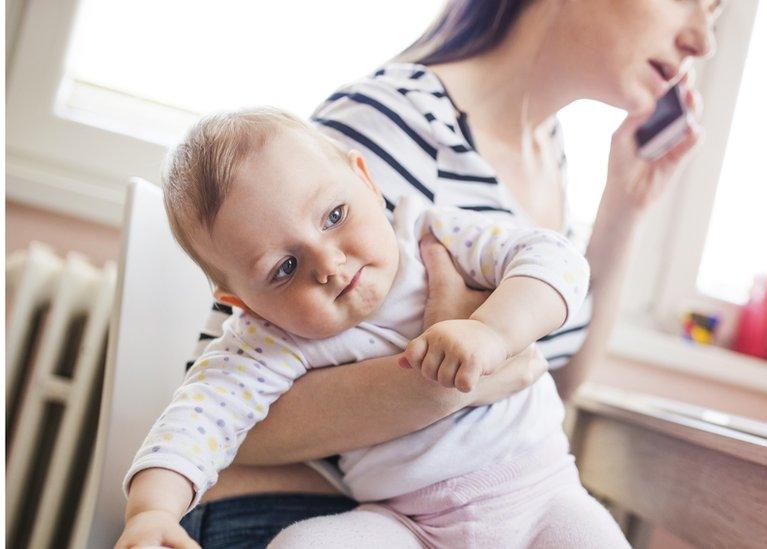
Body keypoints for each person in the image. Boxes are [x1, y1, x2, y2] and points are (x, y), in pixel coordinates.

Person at [171, 0, 719, 546]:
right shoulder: (394, 119)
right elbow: (232, 418)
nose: (702, 40)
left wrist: (623, 208)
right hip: (289, 510)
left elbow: (549, 372)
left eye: (714, 14)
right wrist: (453, 378)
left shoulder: (548, 154)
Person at [116, 107, 627, 548]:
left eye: (335, 215)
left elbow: (554, 258)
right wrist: (152, 514)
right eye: (285, 268)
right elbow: (197, 420)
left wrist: (491, 331)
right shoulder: (270, 339)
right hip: (407, 525)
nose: (330, 265)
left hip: (541, 494)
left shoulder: (433, 234)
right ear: (241, 303)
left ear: (365, 179)